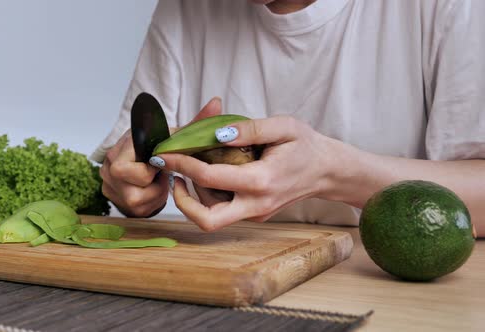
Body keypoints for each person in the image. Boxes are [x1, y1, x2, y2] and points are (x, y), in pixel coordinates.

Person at [92, 0, 485, 237]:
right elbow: (132, 169)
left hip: (402, 292)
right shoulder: (186, 8)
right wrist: (134, 188)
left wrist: (332, 173)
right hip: (237, 273)